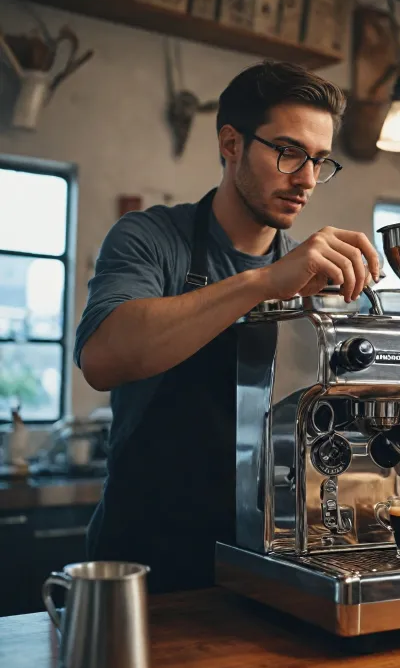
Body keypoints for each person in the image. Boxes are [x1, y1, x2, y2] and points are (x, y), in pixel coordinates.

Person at [75, 61, 380, 593]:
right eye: (287, 151)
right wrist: (263, 283)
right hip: (147, 564)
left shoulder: (314, 282)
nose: (306, 179)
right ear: (232, 143)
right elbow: (103, 359)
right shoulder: (151, 239)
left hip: (268, 560)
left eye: (319, 161)